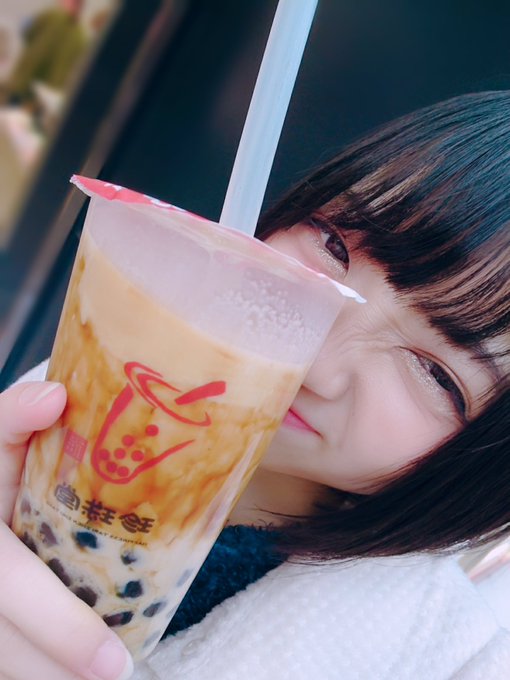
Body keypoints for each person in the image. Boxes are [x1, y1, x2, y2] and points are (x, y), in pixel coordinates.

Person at [0, 90, 509, 679]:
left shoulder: (447, 659)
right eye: (334, 246)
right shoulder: (72, 395)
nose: (314, 363)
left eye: (436, 373)